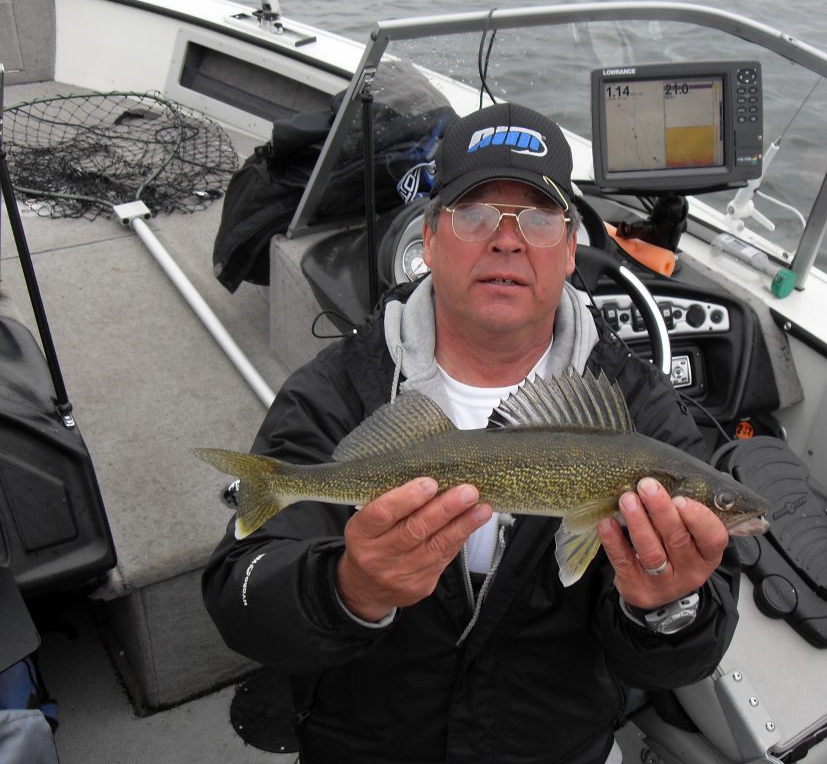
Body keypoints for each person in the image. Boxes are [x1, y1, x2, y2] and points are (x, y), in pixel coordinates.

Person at [203, 102, 740, 764]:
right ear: (428, 239)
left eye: (539, 219)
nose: (507, 241)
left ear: (571, 248)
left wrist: (667, 610)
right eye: (475, 214)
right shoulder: (336, 389)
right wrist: (346, 590)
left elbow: (683, 658)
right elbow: (239, 597)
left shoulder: (642, 412)